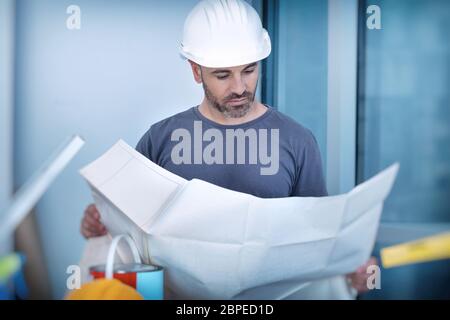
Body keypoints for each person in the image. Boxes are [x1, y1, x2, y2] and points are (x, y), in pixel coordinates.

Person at [80, 0, 376, 295]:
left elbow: (317, 245)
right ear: (196, 71)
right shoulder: (160, 140)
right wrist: (98, 224)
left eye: (249, 70)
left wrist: (348, 272)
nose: (239, 87)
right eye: (222, 75)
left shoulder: (297, 141)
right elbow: (130, 239)